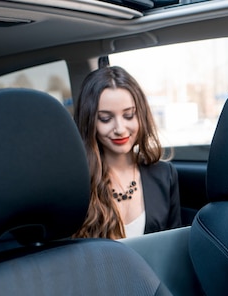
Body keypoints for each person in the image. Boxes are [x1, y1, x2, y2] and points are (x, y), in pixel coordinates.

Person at [73, 66, 181, 239]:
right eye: (105, 118)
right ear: (89, 122)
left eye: (129, 115)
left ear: (141, 116)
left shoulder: (164, 175)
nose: (120, 129)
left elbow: (174, 247)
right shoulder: (78, 183)